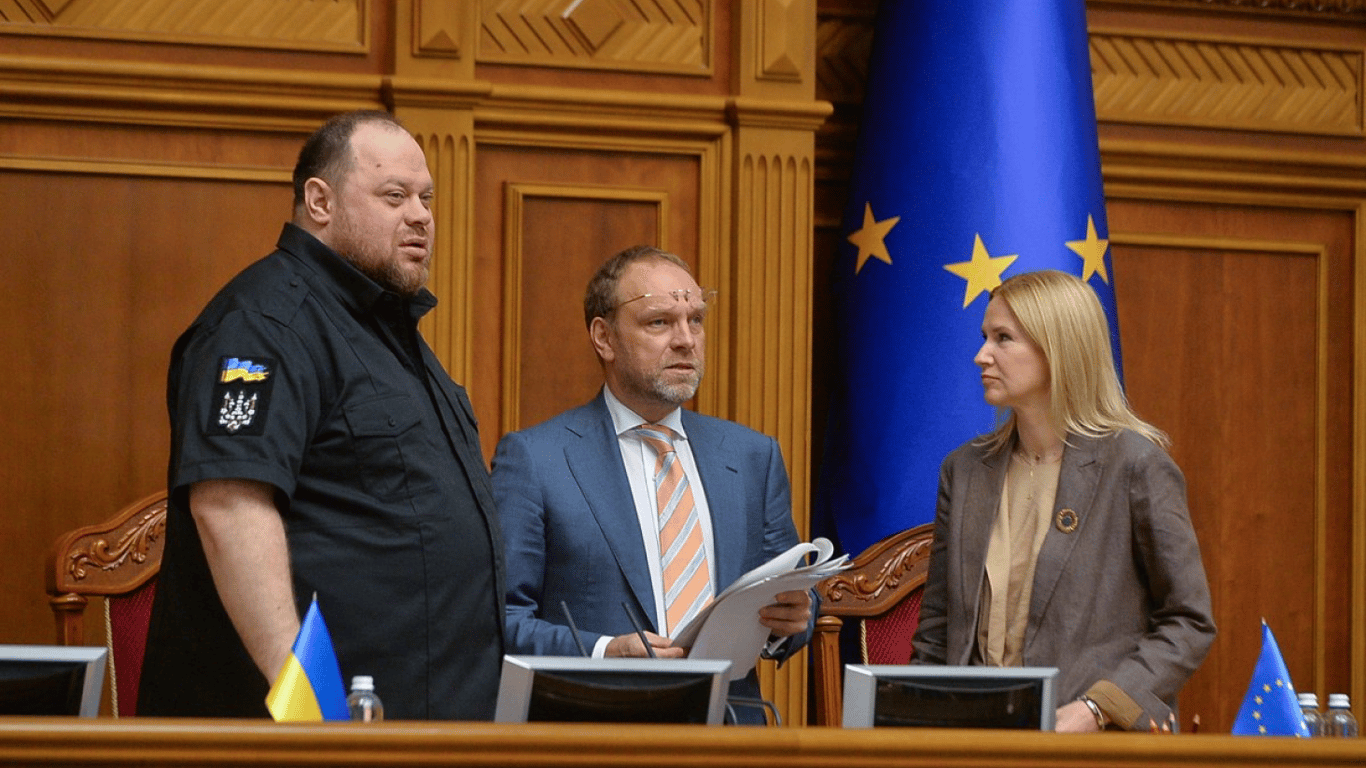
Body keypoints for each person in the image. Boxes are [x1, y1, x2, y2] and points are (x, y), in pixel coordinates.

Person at [138, 110, 505, 720]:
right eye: (394, 196)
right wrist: (309, 709)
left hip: (422, 721)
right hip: (315, 733)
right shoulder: (264, 325)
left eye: (426, 198)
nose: (421, 216)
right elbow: (229, 507)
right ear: (320, 201)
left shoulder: (387, 329)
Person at [492, 245, 814, 724]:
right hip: (597, 732)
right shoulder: (536, 460)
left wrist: (792, 621)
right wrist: (605, 653)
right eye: (660, 322)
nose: (686, 340)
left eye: (695, 320)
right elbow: (500, 621)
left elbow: (793, 597)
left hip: (730, 738)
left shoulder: (752, 456)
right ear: (604, 337)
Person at [911, 269, 1216, 732]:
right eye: (984, 337)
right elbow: (938, 627)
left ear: (1057, 348)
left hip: (1097, 744)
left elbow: (1188, 621)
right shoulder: (965, 469)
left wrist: (1099, 707)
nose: (981, 355)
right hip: (976, 739)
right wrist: (917, 729)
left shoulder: (1136, 466)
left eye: (1003, 338)